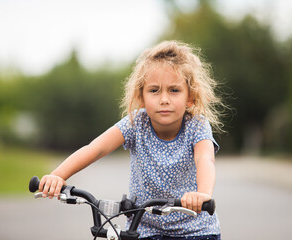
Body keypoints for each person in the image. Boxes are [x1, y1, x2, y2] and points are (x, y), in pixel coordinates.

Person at [39, 40, 225, 240]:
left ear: (190, 97)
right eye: (154, 90)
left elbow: (205, 159)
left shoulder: (196, 125)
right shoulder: (137, 123)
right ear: (142, 96)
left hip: (195, 231)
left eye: (174, 90)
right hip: (144, 230)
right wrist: (58, 175)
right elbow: (95, 149)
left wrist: (203, 195)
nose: (164, 99)